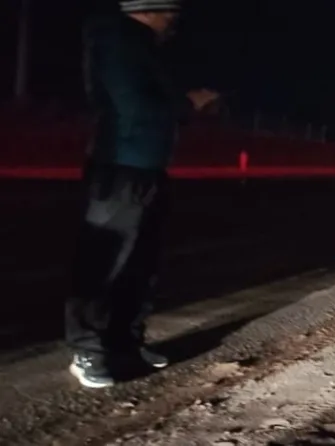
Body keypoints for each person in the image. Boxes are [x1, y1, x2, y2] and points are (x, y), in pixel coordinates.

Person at [66, 0, 219, 388]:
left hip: (146, 166)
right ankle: (89, 350)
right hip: (120, 165)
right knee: (106, 263)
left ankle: (124, 344)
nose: (173, 23)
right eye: (170, 15)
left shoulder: (140, 46)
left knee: (140, 264)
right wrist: (188, 104)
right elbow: (135, 105)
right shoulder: (118, 41)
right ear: (148, 11)